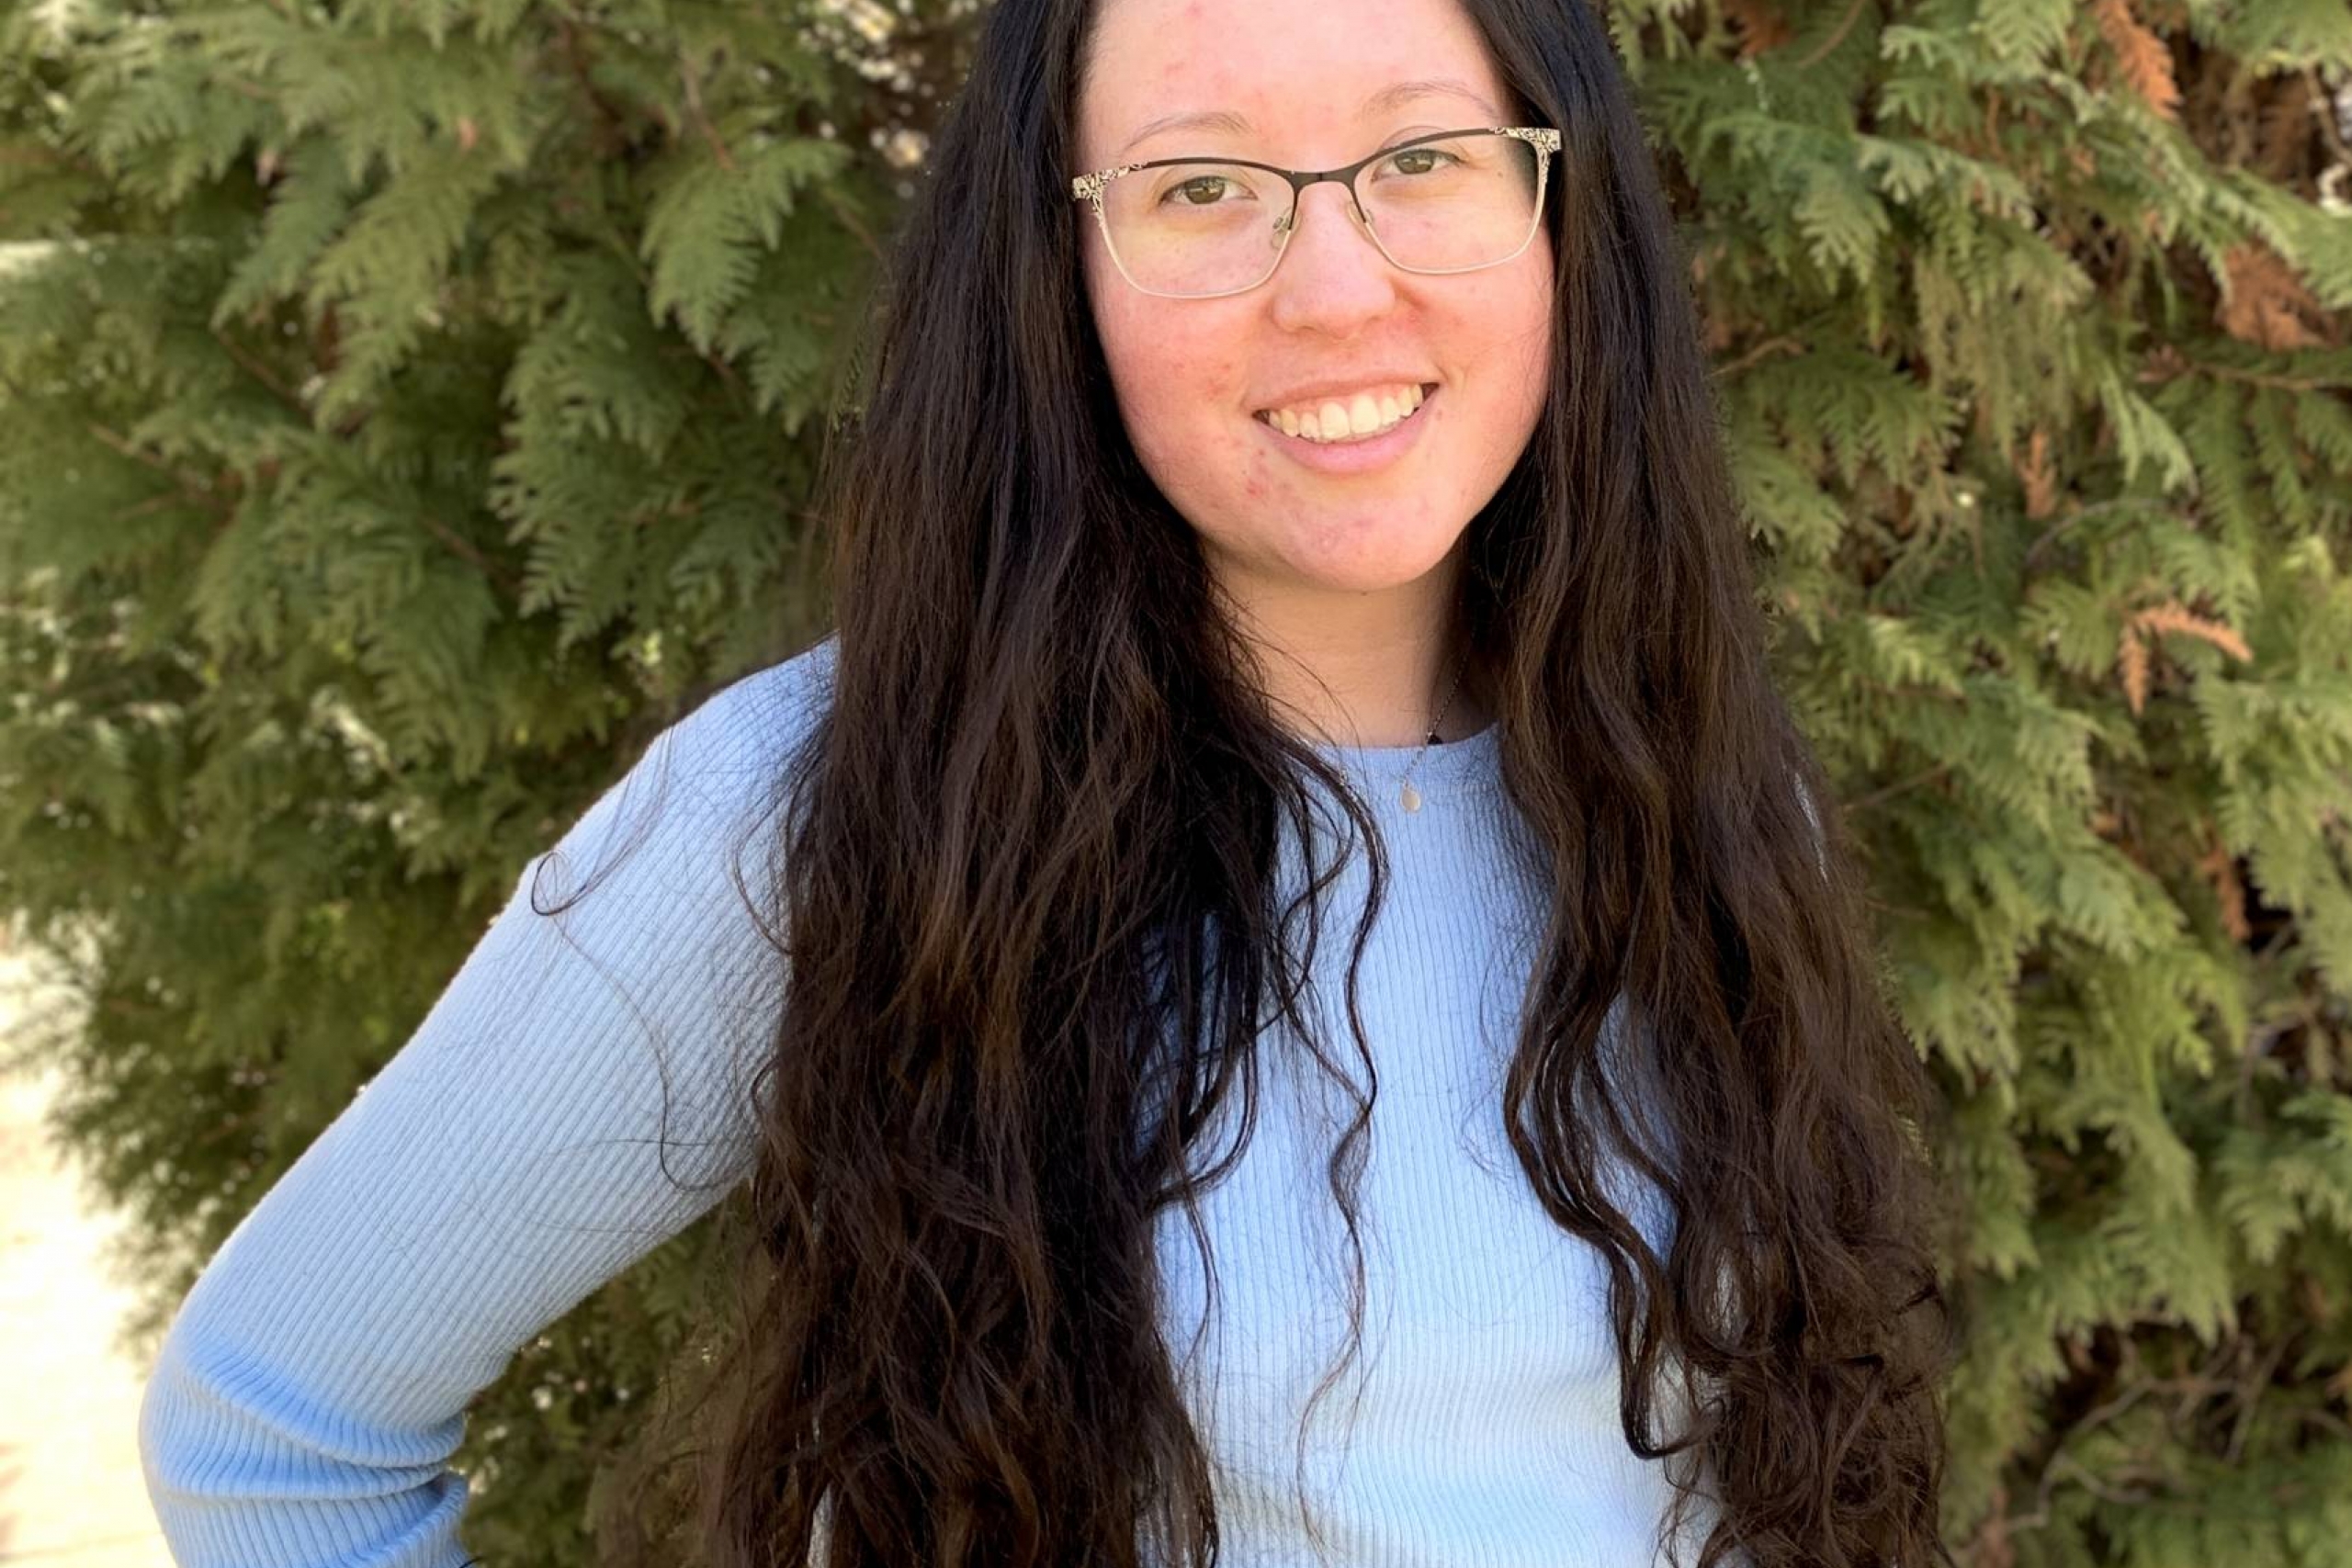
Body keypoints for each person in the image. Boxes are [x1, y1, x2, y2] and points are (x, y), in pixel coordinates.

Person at [137, 0, 1962, 1562]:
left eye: (1423, 159)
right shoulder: (817, 817)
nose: (1334, 284)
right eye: (1198, 188)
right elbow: (277, 1424)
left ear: (1560, 212)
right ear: (1054, 269)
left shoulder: (1690, 785)